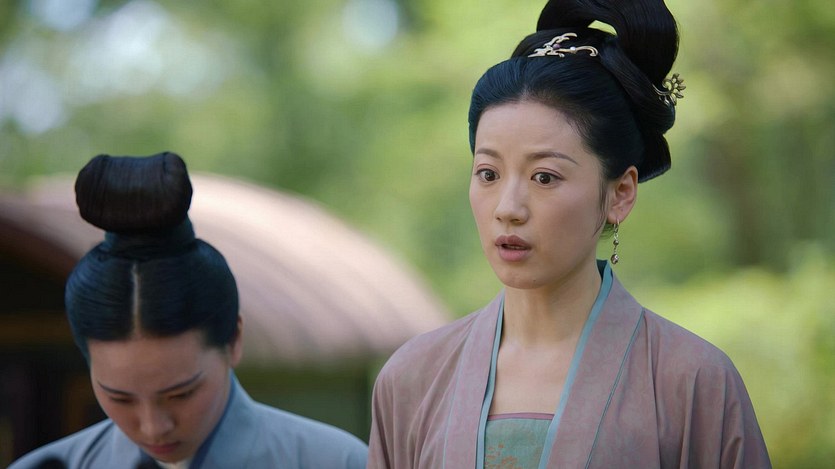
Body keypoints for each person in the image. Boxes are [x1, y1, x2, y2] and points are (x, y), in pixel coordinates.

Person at [367, 0, 771, 467]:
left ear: (620, 193)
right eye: (488, 173)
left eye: (545, 177)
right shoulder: (412, 378)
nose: (508, 209)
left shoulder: (693, 381)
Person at [10, 152, 368, 469]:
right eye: (120, 398)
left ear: (234, 340)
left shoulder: (338, 462)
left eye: (181, 394)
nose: (153, 427)